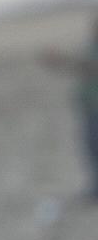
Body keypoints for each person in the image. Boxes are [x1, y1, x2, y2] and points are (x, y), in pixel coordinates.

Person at [40, 14, 98, 200]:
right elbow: (80, 66)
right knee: (90, 147)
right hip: (88, 105)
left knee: (94, 145)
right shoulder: (90, 46)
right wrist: (59, 61)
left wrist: (61, 59)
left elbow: (88, 66)